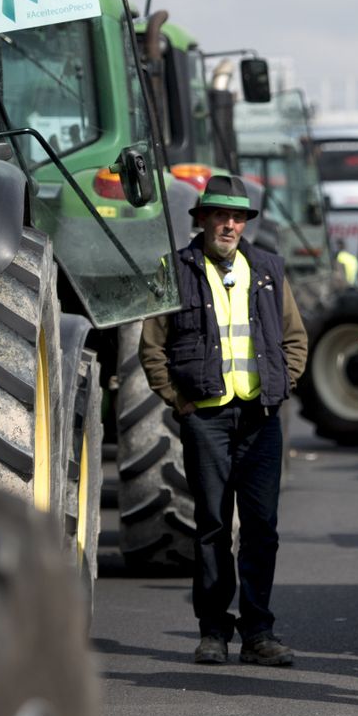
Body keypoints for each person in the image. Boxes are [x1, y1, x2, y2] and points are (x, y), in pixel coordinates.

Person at [140, 174, 309, 666]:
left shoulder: (269, 269)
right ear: (203, 219)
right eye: (221, 215)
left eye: (237, 217)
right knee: (212, 525)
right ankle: (213, 630)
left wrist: (281, 386)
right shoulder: (175, 270)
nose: (230, 225)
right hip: (206, 418)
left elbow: (295, 339)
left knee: (261, 528)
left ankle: (258, 633)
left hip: (260, 418)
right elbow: (152, 347)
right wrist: (178, 401)